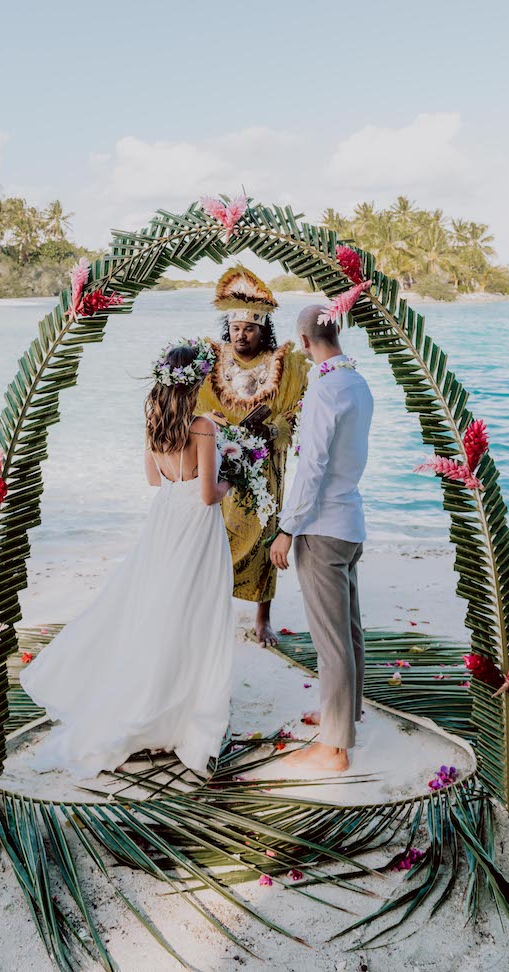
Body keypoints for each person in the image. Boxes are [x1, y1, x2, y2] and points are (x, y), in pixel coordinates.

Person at [22, 339, 235, 778]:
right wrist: (233, 478)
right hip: (195, 524)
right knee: (196, 609)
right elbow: (208, 495)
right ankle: (184, 706)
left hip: (164, 520)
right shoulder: (203, 428)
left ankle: (158, 697)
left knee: (158, 605)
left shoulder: (155, 422)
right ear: (195, 381)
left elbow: (153, 480)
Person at [269, 304, 373, 774]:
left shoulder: (325, 390)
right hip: (350, 523)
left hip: (321, 529)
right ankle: (344, 718)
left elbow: (311, 466)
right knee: (349, 633)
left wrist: (287, 528)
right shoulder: (357, 383)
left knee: (331, 642)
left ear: (305, 342)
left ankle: (334, 748)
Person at [196, 268, 310, 647]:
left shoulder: (285, 364)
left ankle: (263, 618)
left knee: (263, 536)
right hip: (222, 462)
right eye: (235, 328)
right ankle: (213, 611)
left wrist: (274, 428)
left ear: (263, 331)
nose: (241, 335)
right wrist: (219, 428)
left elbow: (299, 411)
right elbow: (195, 410)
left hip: (265, 466)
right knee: (216, 537)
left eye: (249, 329)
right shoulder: (212, 361)